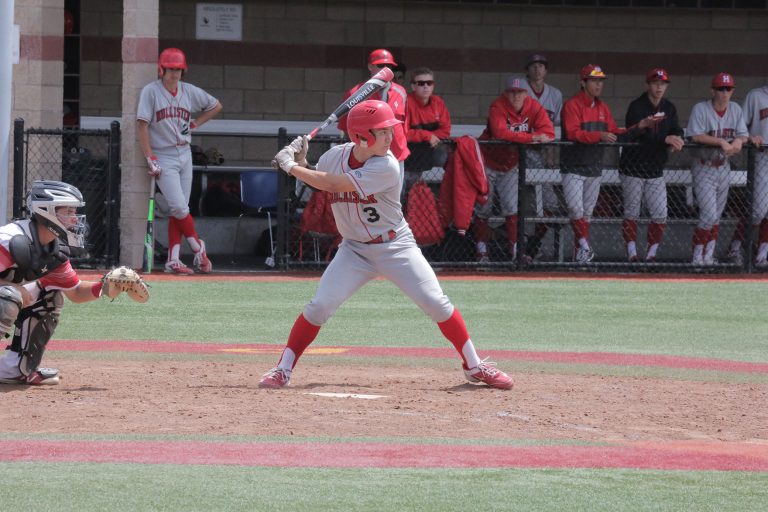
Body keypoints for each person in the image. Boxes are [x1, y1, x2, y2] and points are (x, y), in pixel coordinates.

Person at [263, 100, 513, 390]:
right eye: (382, 132)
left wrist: (291, 166)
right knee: (320, 306)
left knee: (437, 303)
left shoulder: (387, 165)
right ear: (361, 136)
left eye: (389, 130)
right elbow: (322, 178)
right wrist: (303, 162)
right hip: (354, 251)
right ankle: (283, 369)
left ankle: (474, 365)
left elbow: (333, 185)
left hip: (396, 246)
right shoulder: (334, 157)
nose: (390, 137)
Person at [0, 181, 109, 385]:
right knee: (8, 297)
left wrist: (107, 286)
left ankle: (15, 369)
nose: (75, 219)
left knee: (49, 297)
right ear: (47, 211)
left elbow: (75, 291)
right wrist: (14, 288)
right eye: (68, 211)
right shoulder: (9, 239)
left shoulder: (52, 250)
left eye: (74, 211)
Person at [137, 47, 223, 275]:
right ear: (161, 69)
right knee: (178, 206)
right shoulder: (151, 92)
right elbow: (142, 125)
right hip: (163, 154)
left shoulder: (188, 91)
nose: (174, 73)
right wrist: (150, 157)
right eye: (170, 69)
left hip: (184, 153)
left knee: (180, 209)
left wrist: (196, 123)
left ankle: (173, 259)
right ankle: (198, 248)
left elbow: (216, 105)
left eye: (178, 69)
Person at [561, 64, 652, 263]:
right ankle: (585, 246)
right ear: (583, 83)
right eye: (594, 80)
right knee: (575, 209)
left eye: (600, 81)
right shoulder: (572, 105)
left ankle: (581, 256)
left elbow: (616, 132)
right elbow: (573, 133)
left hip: (594, 167)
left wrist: (639, 127)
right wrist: (599, 135)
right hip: (573, 167)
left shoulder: (602, 107)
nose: (598, 84)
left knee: (586, 214)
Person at [475, 75, 555, 262]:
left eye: (520, 92)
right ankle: (481, 251)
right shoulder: (498, 106)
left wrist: (526, 137)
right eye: (512, 92)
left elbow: (549, 132)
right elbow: (500, 133)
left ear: (526, 93)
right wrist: (532, 137)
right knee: (483, 208)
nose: (516, 96)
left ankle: (516, 251)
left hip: (510, 164)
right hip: (488, 162)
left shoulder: (533, 106)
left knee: (511, 208)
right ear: (506, 93)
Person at [618, 68, 685, 262]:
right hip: (633, 167)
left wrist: (677, 139)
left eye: (663, 84)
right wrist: (666, 139)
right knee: (632, 212)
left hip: (656, 169)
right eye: (655, 83)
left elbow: (676, 129)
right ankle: (631, 253)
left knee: (660, 213)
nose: (659, 87)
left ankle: (651, 254)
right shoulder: (637, 106)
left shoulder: (669, 107)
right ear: (647, 85)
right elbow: (642, 136)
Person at [686, 73, 749, 266]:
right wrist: (721, 141)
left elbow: (744, 135)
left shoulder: (736, 109)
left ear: (732, 91)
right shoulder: (701, 109)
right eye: (720, 89)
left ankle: (708, 256)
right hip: (704, 166)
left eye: (728, 89)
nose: (724, 93)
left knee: (717, 216)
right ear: (712, 91)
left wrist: (739, 140)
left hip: (723, 167)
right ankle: (697, 257)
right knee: (709, 215)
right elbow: (695, 135)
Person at [519, 54, 564, 263]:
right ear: (527, 70)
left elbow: (556, 129)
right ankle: (516, 246)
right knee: (515, 205)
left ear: (546, 71)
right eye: (533, 66)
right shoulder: (520, 91)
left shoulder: (555, 94)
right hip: (519, 151)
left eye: (541, 66)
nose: (537, 70)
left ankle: (532, 244)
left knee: (550, 204)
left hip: (542, 153)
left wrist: (552, 158)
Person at [338, 48, 409, 168]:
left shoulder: (401, 92)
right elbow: (346, 129)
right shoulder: (355, 93)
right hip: (367, 159)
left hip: (397, 156)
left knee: (396, 187)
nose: (385, 69)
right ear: (370, 67)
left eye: (389, 66)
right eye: (381, 65)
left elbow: (405, 124)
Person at [725, 83, 768, 268]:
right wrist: (750, 138)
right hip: (761, 157)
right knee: (757, 210)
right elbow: (740, 128)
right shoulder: (756, 95)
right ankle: (734, 248)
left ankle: (762, 255)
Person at [403, 66, 451, 198]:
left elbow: (445, 130)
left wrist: (429, 138)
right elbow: (401, 133)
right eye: (421, 83)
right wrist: (427, 135)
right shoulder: (405, 102)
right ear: (413, 86)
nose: (425, 87)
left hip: (427, 151)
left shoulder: (438, 102)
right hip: (406, 155)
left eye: (429, 83)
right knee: (402, 190)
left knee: (451, 157)